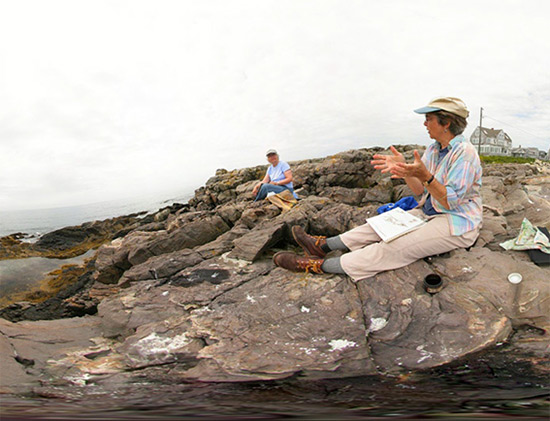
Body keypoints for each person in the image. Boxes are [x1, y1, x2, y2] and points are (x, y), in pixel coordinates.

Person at [273, 96, 482, 282]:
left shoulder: (465, 153)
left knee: (392, 247)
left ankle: (318, 266)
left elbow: (450, 202)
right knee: (378, 226)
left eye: (429, 119)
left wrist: (425, 176)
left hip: (456, 222)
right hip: (429, 211)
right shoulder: (434, 150)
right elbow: (421, 192)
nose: (425, 123)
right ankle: (321, 246)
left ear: (445, 122)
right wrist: (406, 171)